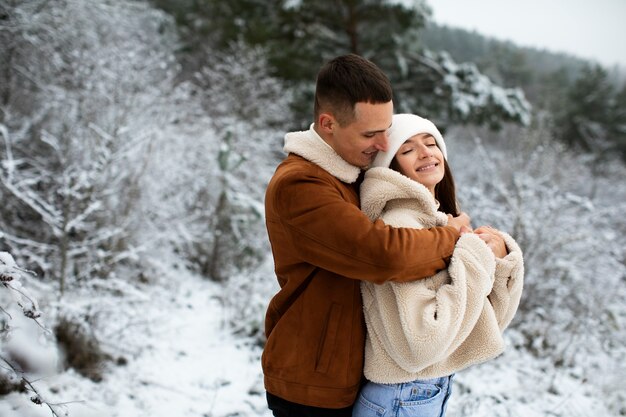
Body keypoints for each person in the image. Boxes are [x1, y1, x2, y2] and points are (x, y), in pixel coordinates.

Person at [262, 54, 472, 417]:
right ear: (328, 123)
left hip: (345, 374)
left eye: (386, 129)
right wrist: (452, 236)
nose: (382, 143)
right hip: (312, 380)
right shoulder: (301, 184)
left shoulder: (348, 172)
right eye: (370, 134)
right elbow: (381, 254)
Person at [353, 113, 524, 417]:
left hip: (419, 393)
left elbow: (486, 323)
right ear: (390, 168)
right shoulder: (400, 227)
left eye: (431, 143)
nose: (426, 152)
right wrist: (473, 254)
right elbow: (421, 344)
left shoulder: (439, 222)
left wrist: (499, 260)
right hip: (401, 397)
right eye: (407, 150)